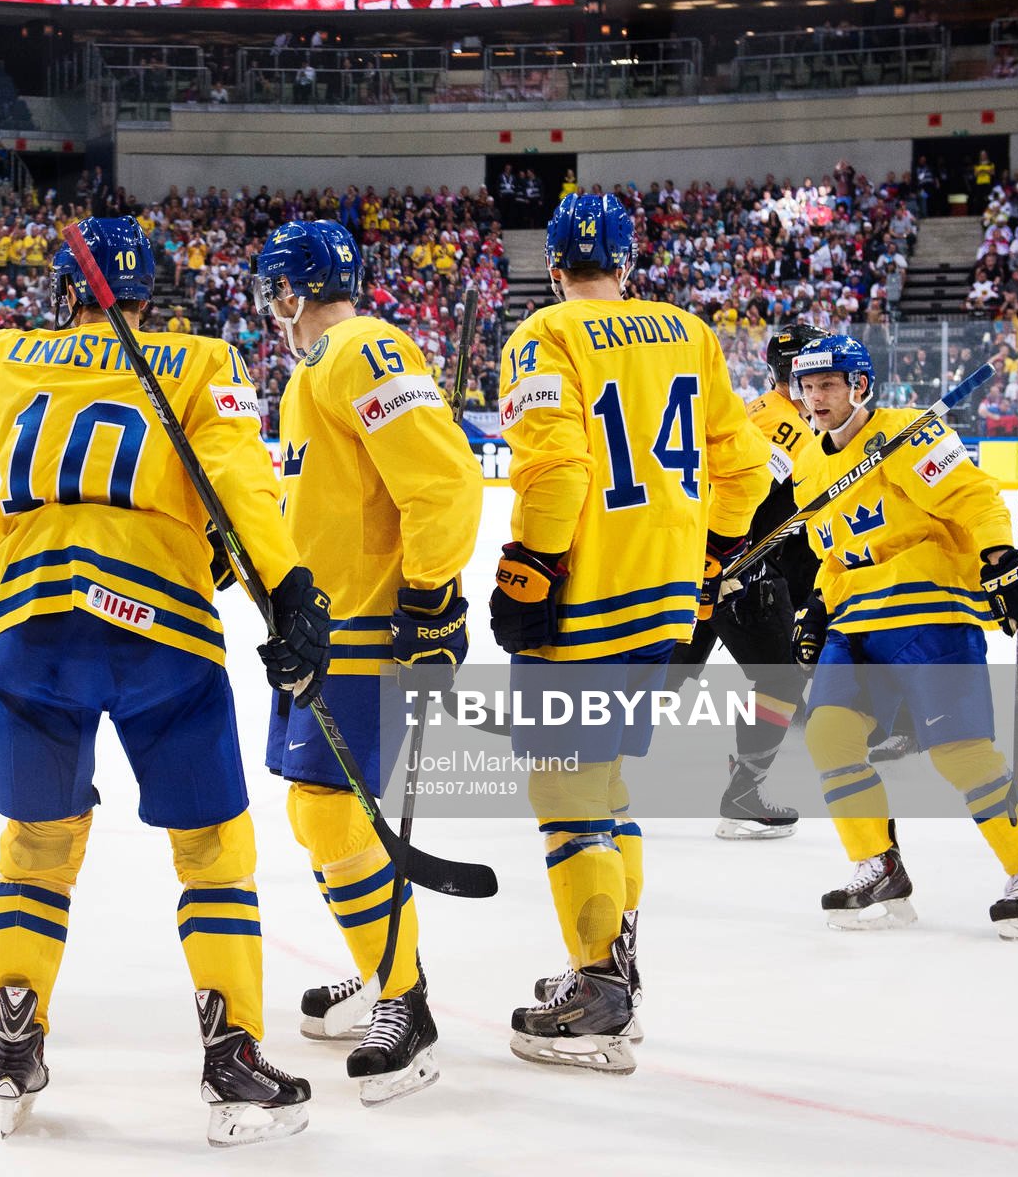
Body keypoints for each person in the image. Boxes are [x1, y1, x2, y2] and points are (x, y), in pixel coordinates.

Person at [0, 216, 322, 1147]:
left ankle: (16, 1033)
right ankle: (233, 1055)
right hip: (158, 625)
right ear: (150, 289)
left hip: (33, 629)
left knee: (37, 844)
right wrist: (286, 594)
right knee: (211, 847)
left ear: (63, 289)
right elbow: (242, 487)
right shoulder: (203, 359)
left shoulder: (7, 356)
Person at [489, 193, 768, 1073]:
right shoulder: (689, 331)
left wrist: (529, 568)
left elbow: (559, 470)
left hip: (586, 599)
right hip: (665, 599)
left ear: (553, 265)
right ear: (628, 259)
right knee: (606, 788)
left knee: (564, 795)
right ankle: (617, 966)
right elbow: (748, 465)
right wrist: (716, 549)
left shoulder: (545, 336)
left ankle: (598, 992)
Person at [251, 219, 481, 1105]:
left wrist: (429, 598)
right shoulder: (315, 373)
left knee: (330, 812)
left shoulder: (362, 348)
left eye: (277, 290)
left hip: (365, 629)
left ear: (293, 290)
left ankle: (405, 1000)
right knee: (320, 818)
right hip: (320, 626)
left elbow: (446, 481)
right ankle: (378, 960)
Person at [787, 335, 1018, 938]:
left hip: (928, 609)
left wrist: (1003, 561)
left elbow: (974, 498)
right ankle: (877, 864)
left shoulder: (907, 433)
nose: (815, 398)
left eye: (828, 385)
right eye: (807, 387)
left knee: (960, 753)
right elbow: (830, 555)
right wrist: (816, 604)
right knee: (830, 735)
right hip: (855, 619)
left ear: (859, 386)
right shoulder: (809, 464)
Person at [674, 323, 826, 840]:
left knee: (666, 678)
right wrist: (731, 561)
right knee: (781, 680)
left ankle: (579, 760)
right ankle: (743, 794)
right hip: (740, 574)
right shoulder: (783, 429)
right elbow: (745, 492)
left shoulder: (764, 413)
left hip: (712, 567)